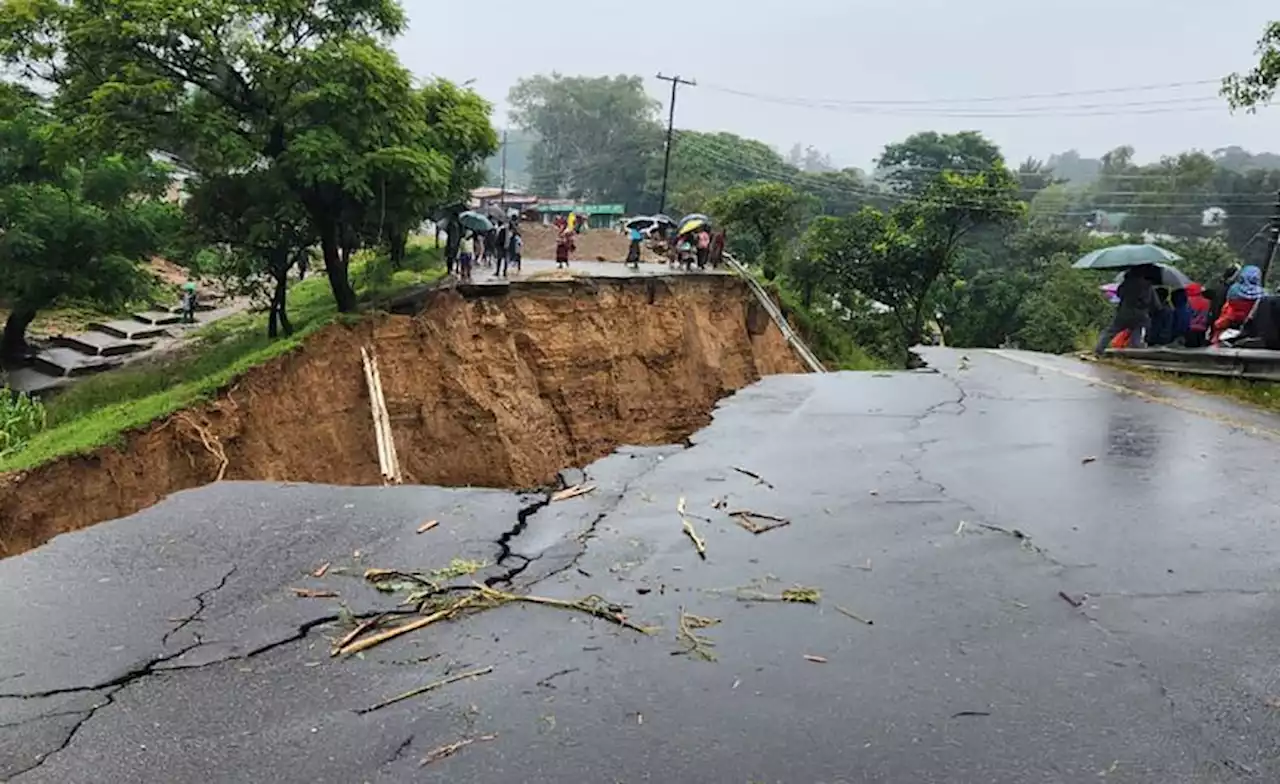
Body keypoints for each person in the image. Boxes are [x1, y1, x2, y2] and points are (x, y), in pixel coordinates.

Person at [1094, 265, 1162, 355]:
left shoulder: (1126, 284)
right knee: (1136, 335)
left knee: (1111, 331)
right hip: (1141, 315)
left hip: (1124, 313)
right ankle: (1136, 353)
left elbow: (1119, 294)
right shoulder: (1148, 286)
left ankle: (1099, 349)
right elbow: (1156, 305)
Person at [1212, 264, 1264, 344]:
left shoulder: (1233, 290)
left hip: (1231, 325)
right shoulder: (1262, 293)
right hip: (1252, 328)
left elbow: (1227, 307)